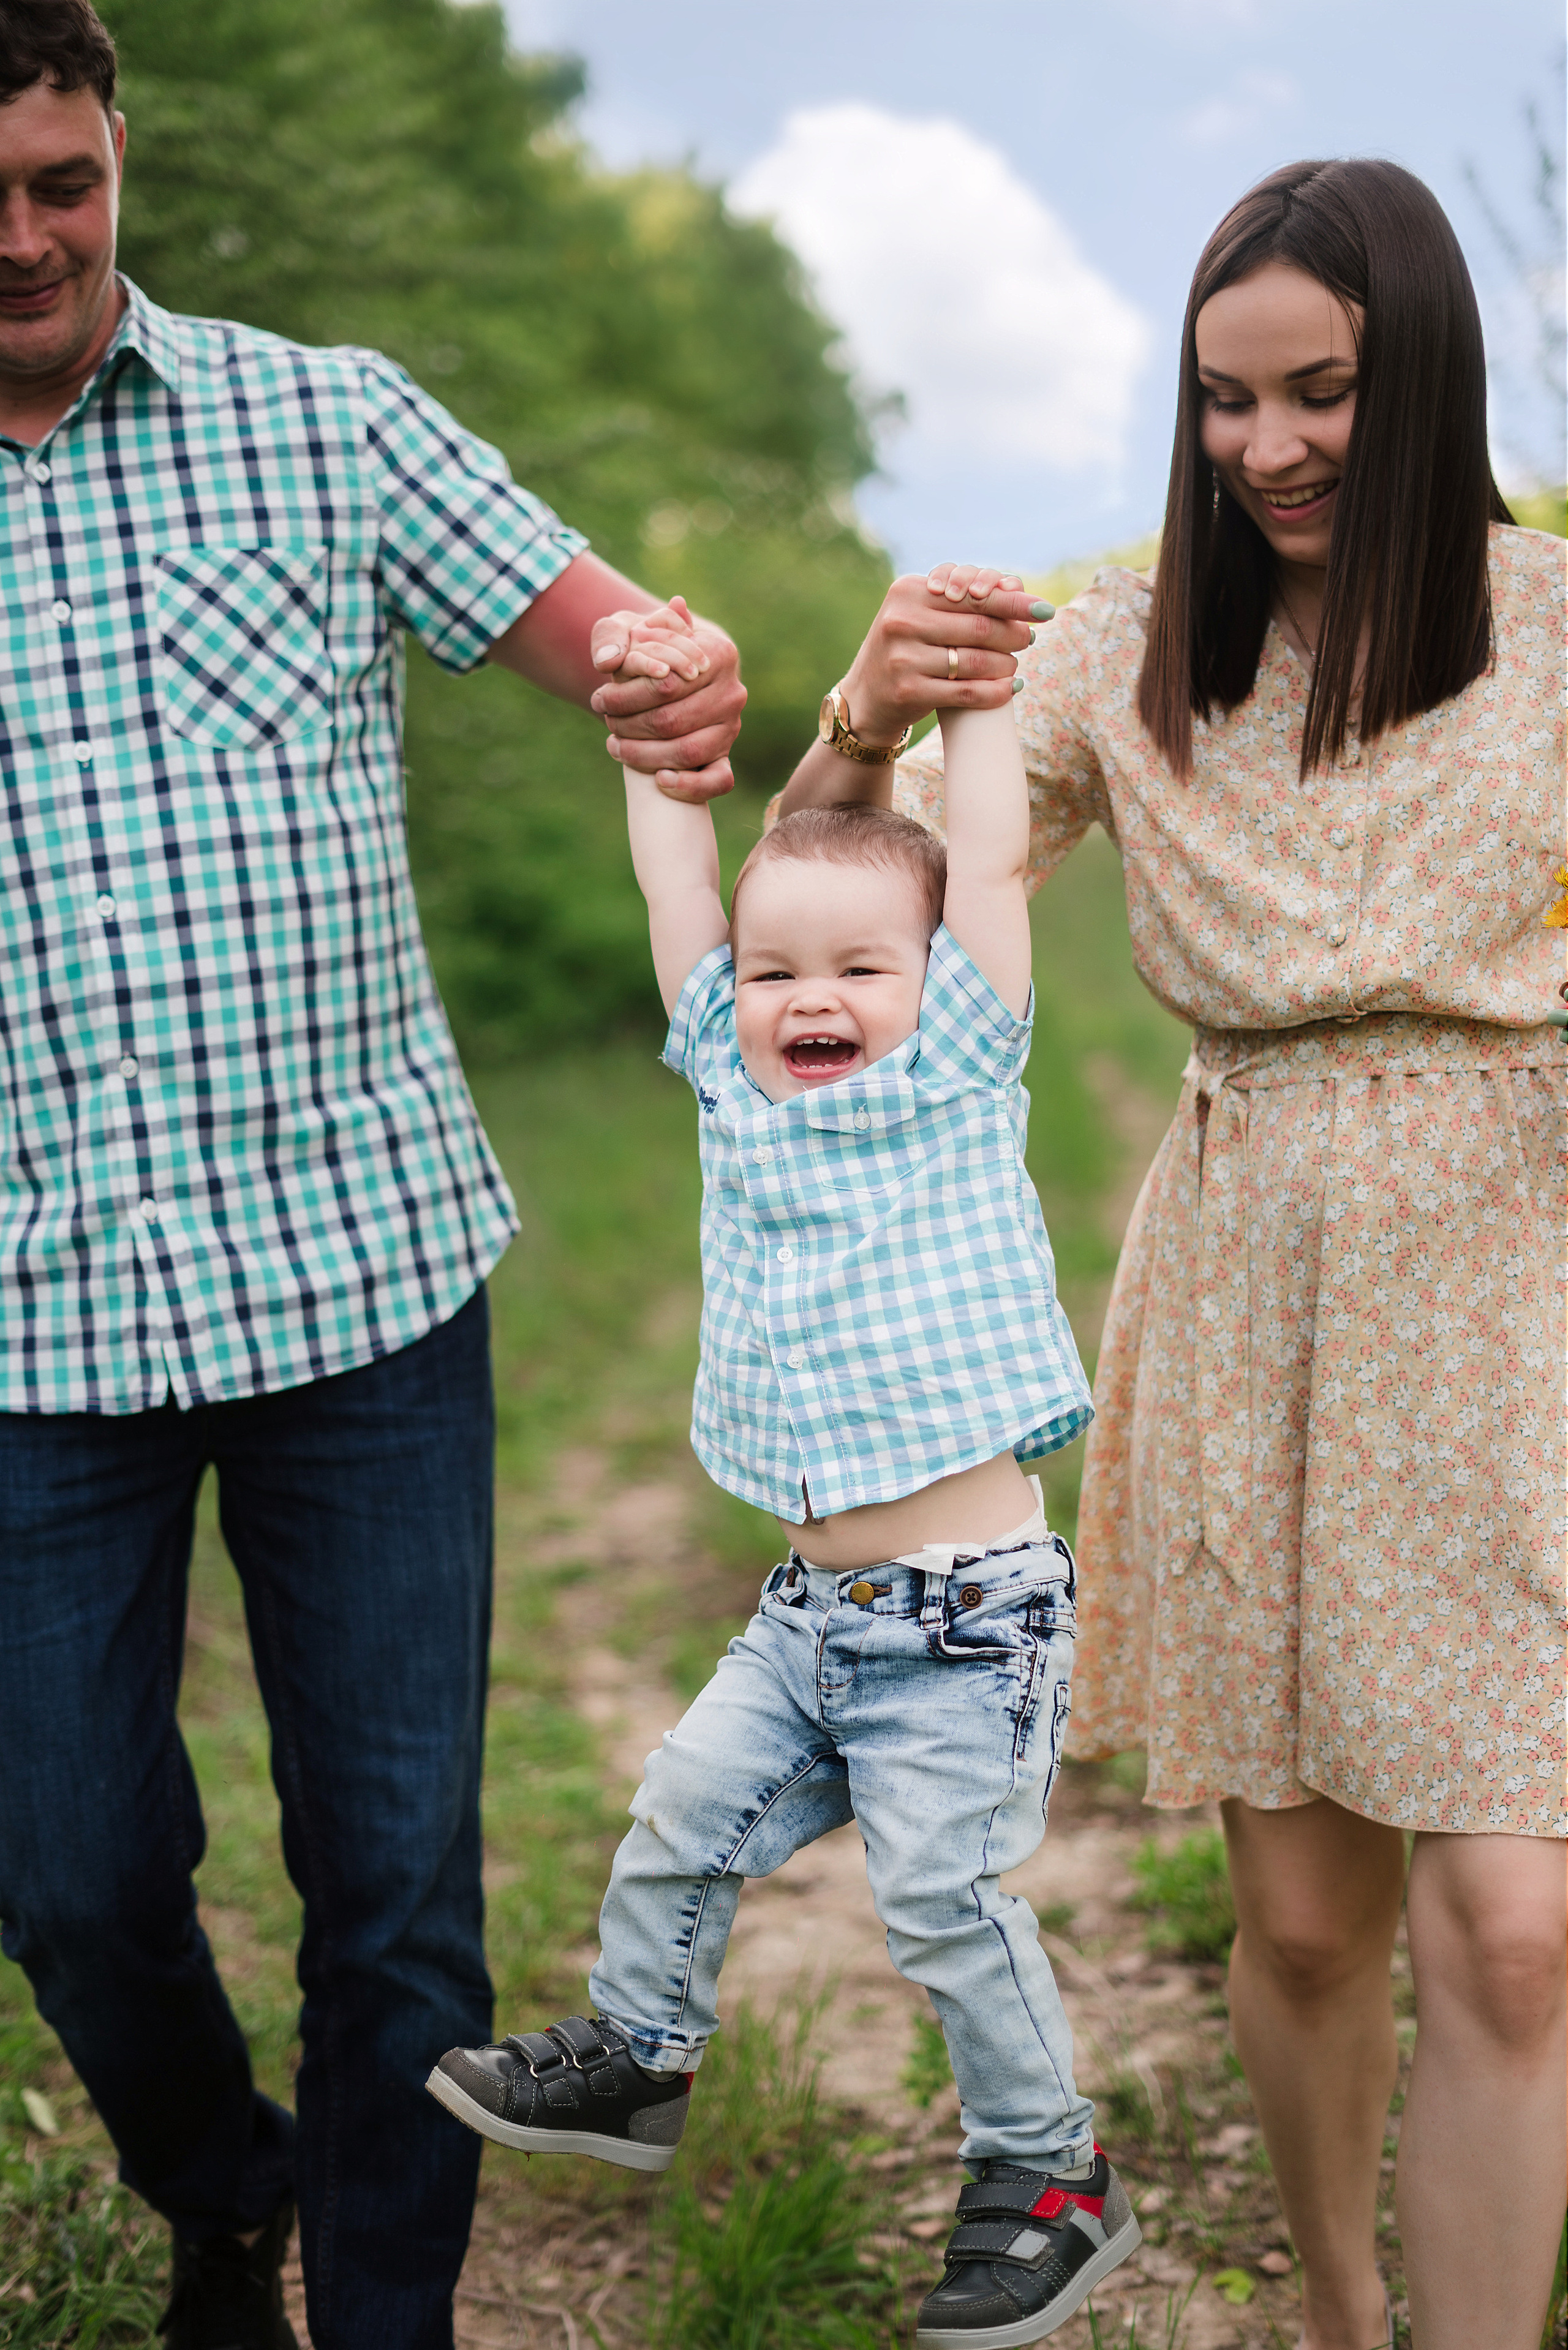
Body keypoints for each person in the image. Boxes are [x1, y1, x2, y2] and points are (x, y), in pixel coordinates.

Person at [0, 9, 745, 2349]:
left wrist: (677, 673)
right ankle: (230, 2189)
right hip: (30, 1317)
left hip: (365, 1284)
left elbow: (617, 640)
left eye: (61, 180)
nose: (25, 235)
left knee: (399, 1893)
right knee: (63, 1865)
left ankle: (388, 2317)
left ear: (119, 156)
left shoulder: (324, 419)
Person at [774, 160, 1566, 2350]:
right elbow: (841, 920)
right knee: (1309, 1925)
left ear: (1426, 379)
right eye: (1227, 400)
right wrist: (864, 711)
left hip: (1517, 1310)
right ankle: (1338, 2318)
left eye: (1321, 394)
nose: (1269, 447)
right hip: (1252, 1301)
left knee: (1516, 1938)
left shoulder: (1556, 638)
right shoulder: (1122, 651)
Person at [428, 600, 1144, 2348]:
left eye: (858, 969)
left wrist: (981, 703)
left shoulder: (960, 1061)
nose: (811, 998)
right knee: (682, 1813)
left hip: (969, 1620)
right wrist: (653, 747)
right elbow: (678, 888)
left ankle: (1049, 2173)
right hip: (811, 1614)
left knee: (944, 1904)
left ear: (933, 980)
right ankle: (640, 2056)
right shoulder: (728, 1079)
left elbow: (987, 862)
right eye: (776, 973)